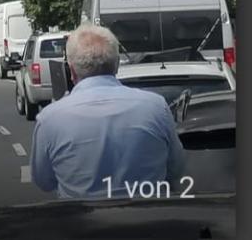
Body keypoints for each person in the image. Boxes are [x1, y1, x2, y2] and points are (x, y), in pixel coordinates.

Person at [30, 24, 185, 199]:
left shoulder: (50, 119)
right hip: (149, 219)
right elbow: (176, 169)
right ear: (117, 65)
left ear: (71, 70)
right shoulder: (156, 107)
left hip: (83, 222)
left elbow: (44, 181)